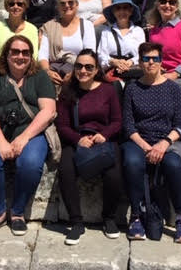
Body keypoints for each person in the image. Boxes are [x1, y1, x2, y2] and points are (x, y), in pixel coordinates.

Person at [0, 35, 57, 236]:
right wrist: (1, 142)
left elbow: (48, 110)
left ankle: (18, 212)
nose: (20, 56)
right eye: (15, 52)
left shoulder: (40, 76)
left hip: (32, 132)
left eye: (25, 52)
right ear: (7, 54)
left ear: (31, 56)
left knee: (30, 163)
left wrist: (24, 137)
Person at [121, 42, 181, 243]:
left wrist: (163, 144)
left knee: (173, 164)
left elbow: (179, 125)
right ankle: (136, 216)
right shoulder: (132, 88)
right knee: (133, 162)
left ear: (161, 62)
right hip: (138, 141)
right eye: (146, 59)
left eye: (154, 58)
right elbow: (128, 125)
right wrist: (145, 146)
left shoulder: (173, 89)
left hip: (166, 141)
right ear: (140, 62)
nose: (150, 62)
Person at [55, 49, 123, 245]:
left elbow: (117, 121)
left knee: (114, 175)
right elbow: (62, 125)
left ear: (96, 70)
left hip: (104, 139)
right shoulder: (68, 92)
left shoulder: (108, 90)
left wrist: (104, 135)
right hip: (78, 139)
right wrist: (78, 140)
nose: (83, 70)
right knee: (66, 171)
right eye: (79, 66)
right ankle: (76, 222)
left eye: (88, 67)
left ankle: (109, 218)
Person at [39, 0, 96, 89]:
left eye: (70, 2)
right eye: (62, 3)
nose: (67, 5)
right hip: (54, 72)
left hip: (81, 72)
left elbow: (90, 54)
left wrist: (74, 73)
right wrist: (48, 72)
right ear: (58, 6)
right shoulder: (49, 27)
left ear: (77, 5)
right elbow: (42, 55)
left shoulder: (87, 25)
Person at [97, 0, 146, 82]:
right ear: (113, 12)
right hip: (112, 72)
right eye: (118, 8)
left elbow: (142, 53)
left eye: (125, 8)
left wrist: (129, 63)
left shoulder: (138, 31)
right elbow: (101, 55)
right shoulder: (106, 32)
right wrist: (114, 62)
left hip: (133, 72)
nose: (122, 11)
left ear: (131, 11)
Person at [0, 0, 39, 67]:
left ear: (25, 7)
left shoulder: (32, 29)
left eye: (19, 4)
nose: (15, 6)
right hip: (1, 72)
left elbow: (34, 58)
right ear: (7, 7)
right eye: (11, 4)